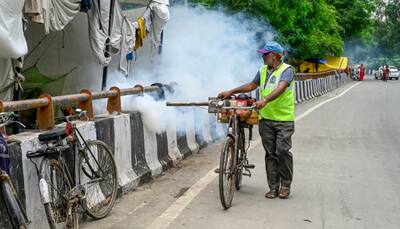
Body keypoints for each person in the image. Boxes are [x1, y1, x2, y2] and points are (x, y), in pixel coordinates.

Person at [218, 41, 295, 199]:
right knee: (270, 154)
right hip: (266, 118)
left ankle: (285, 185)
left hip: (284, 119)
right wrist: (230, 91)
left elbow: (280, 88)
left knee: (282, 151)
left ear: (274, 55)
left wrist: (265, 100)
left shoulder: (287, 70)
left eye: (265, 54)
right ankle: (273, 187)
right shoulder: (263, 70)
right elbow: (251, 85)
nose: (262, 57)